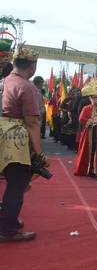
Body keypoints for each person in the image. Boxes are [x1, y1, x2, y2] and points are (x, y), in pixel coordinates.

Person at [0, 48, 50, 242]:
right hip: (14, 138)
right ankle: (8, 229)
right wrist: (39, 154)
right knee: (17, 184)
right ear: (32, 66)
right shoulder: (27, 87)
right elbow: (32, 122)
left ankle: (6, 220)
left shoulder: (4, 81)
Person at [74, 78, 97, 179]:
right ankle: (88, 169)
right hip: (89, 133)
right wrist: (91, 122)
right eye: (95, 97)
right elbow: (81, 119)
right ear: (90, 98)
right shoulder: (86, 108)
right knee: (88, 151)